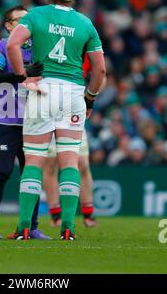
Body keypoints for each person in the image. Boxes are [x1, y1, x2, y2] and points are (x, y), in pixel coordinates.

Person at [7, 0, 106, 240]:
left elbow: (13, 45)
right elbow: (100, 71)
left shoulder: (37, 15)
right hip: (73, 93)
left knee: (34, 162)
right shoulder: (85, 24)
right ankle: (69, 228)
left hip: (43, 89)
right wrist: (90, 99)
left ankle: (25, 227)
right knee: (70, 162)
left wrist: (22, 77)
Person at [0, 5, 50, 240]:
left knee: (31, 174)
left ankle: (31, 227)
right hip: (6, 119)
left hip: (34, 121)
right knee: (1, 172)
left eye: (28, 19)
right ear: (9, 25)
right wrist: (21, 74)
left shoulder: (41, 48)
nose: (25, 23)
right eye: (20, 19)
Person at [44, 56, 105, 229]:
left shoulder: (84, 48)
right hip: (49, 111)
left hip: (73, 110)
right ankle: (55, 214)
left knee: (82, 163)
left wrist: (91, 94)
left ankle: (88, 212)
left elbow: (101, 74)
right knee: (50, 164)